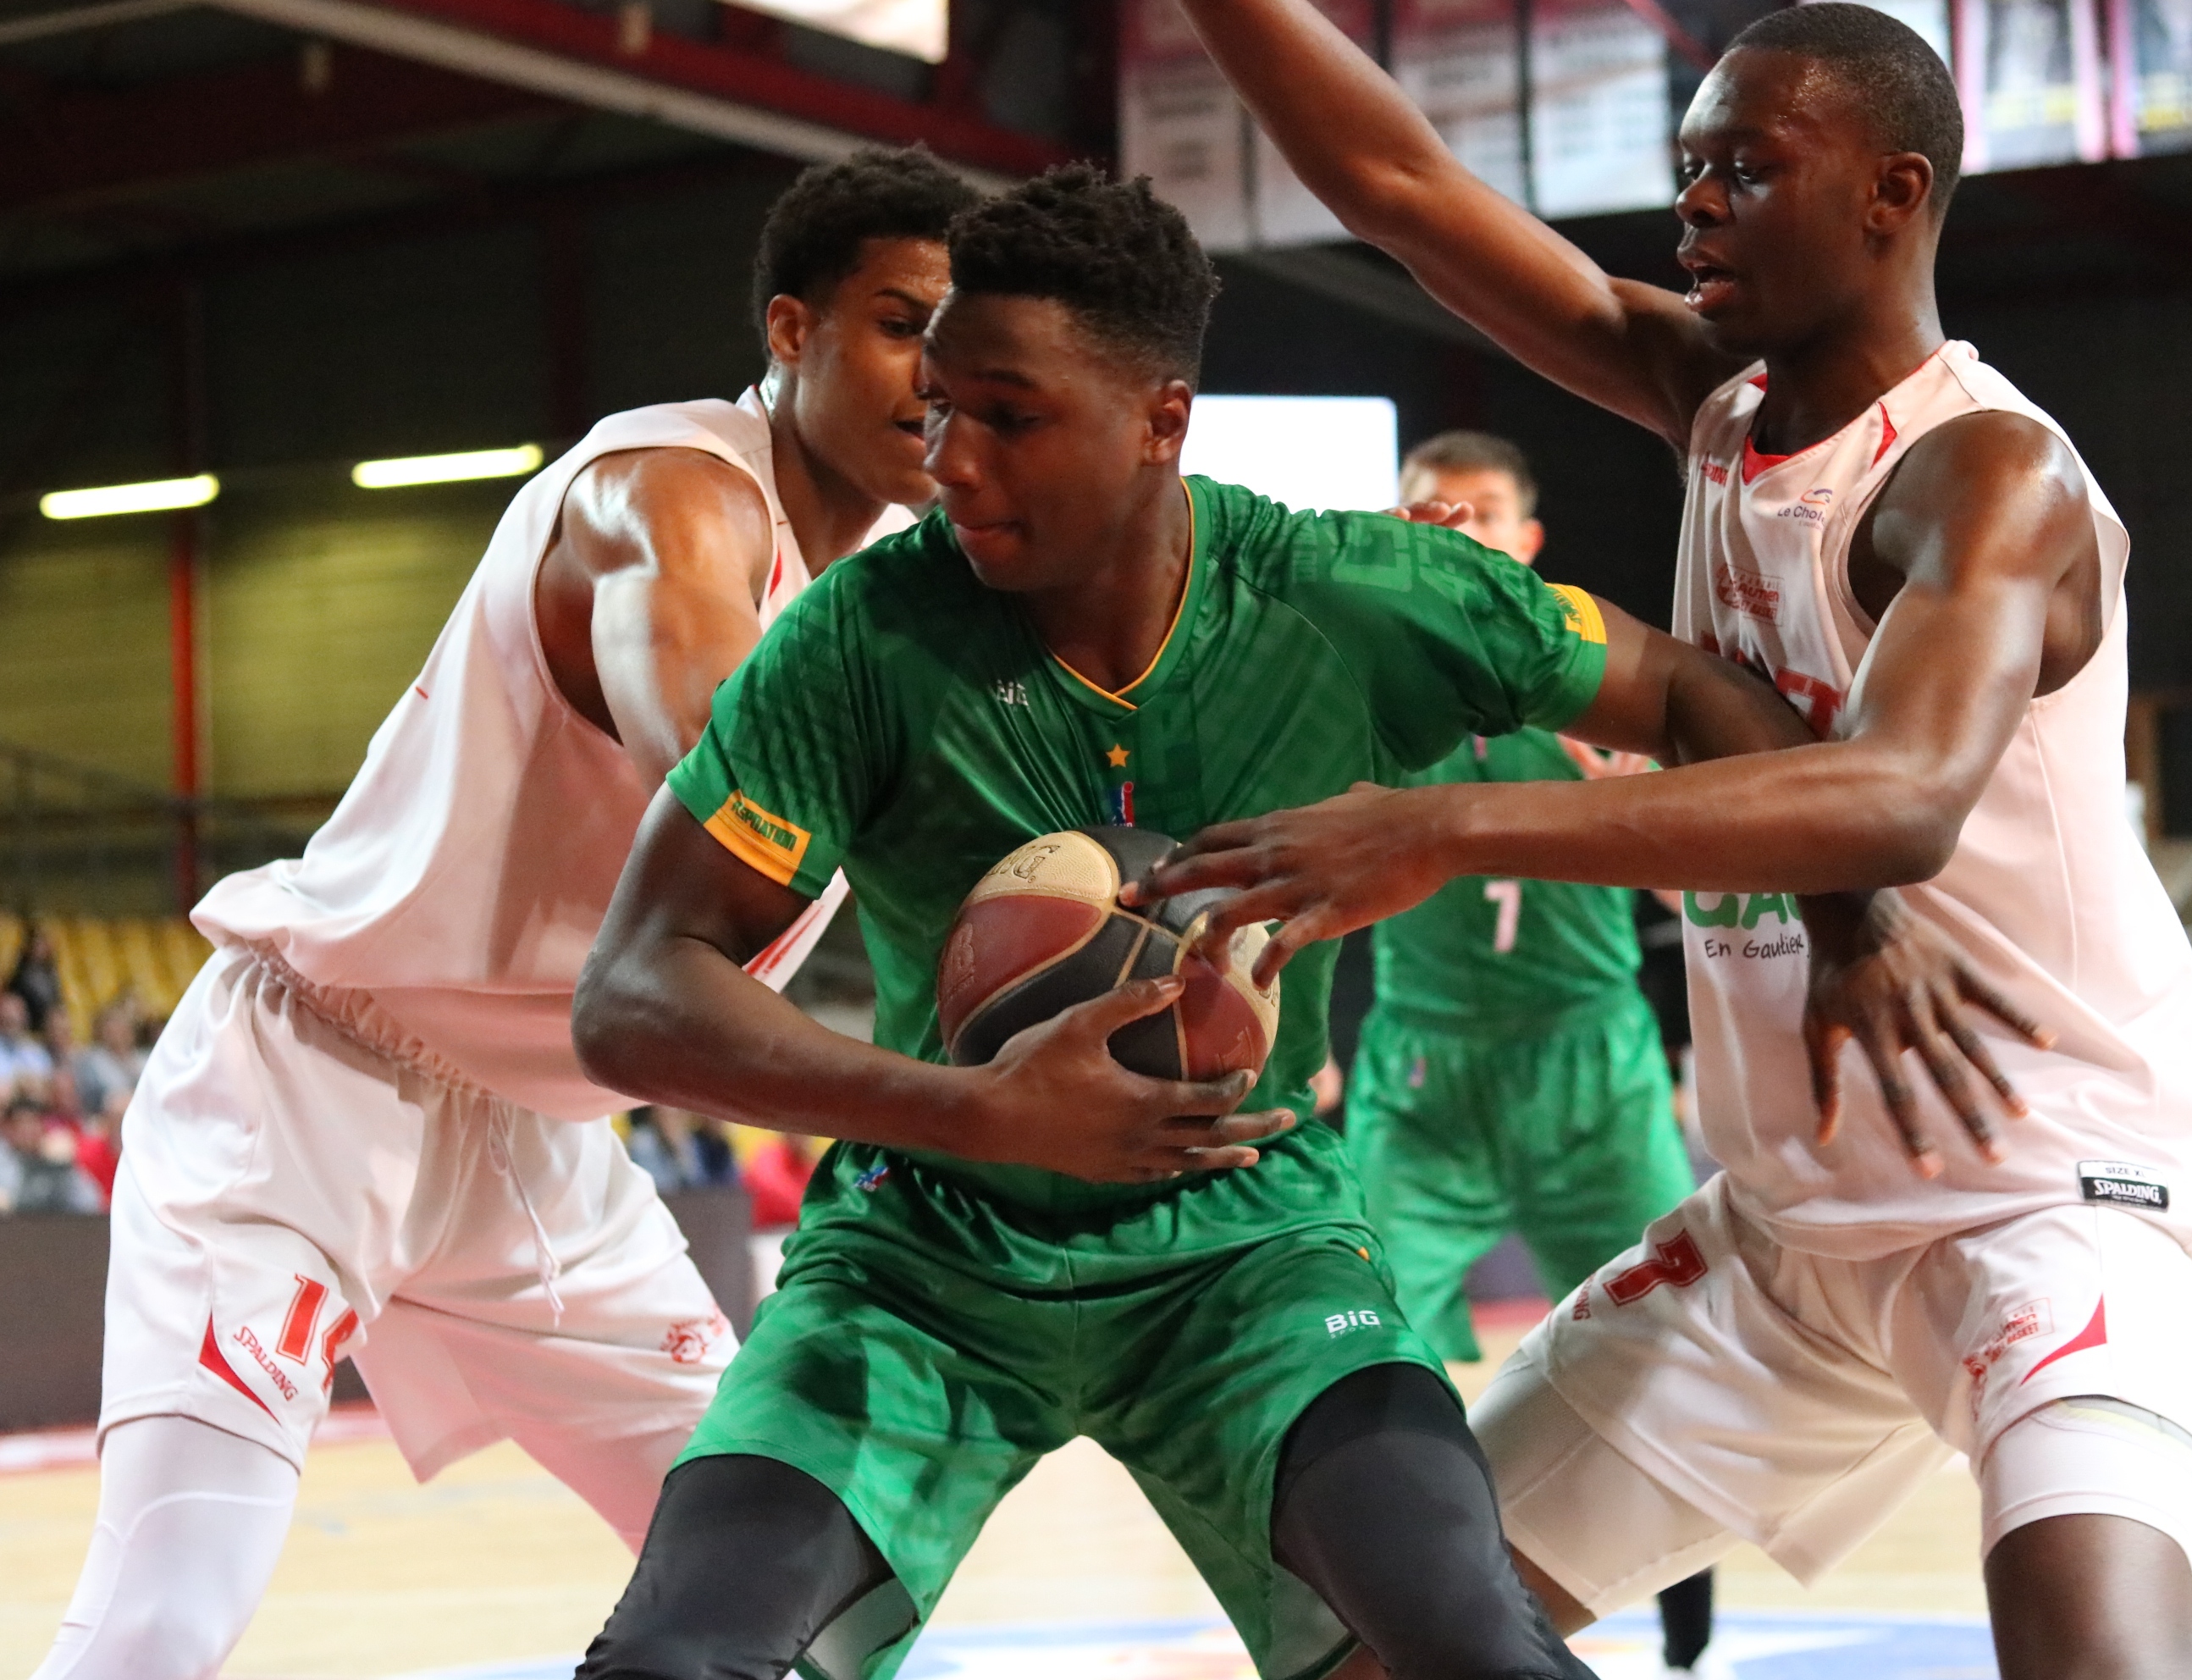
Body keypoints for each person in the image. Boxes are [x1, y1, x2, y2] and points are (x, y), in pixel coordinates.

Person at [565, 164, 2018, 1680]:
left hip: (1248, 1252)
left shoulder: (1348, 589)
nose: (952, 463)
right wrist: (972, 1109)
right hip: (920, 1256)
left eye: (1008, 416)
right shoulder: (859, 636)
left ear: (1160, 421)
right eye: (936, 409)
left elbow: (1680, 686)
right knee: (672, 1660)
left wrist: (1848, 912)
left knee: (1475, 1648)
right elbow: (632, 991)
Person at [1153, 5, 2192, 1676]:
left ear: (1893, 193)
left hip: (2052, 1186)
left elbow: (1898, 792)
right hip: (1790, 1230)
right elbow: (1397, 179)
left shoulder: (1987, 472)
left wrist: (1448, 822)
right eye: (1687, 172)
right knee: (1369, 1641)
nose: (1697, 206)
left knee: (2101, 1655)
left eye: (1748, 168)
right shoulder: (1717, 404)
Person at [33, 148, 987, 1680]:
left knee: (812, 1598)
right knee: (167, 1610)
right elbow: (716, 750)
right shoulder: (664, 495)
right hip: (309, 1089)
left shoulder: (897, 590)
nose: (937, 374)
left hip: (547, 1143)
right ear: (794, 329)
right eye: (900, 322)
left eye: (968, 343)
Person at [1342, 429, 1716, 1675]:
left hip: (1588, 1065)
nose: (1452, 530)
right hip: (1422, 1070)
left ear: (1527, 540)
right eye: (1427, 513)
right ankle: (1407, 1577)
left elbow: (1703, 893)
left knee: (1676, 1339)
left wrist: (1650, 794)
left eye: (1480, 512)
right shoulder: (1352, 685)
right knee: (1352, 1326)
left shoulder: (1601, 675)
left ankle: (1684, 1588)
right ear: (1395, 533)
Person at [3, 1092, 103, 1215]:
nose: (27, 1131)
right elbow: (7, 1203)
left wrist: (65, 1166)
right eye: (21, 1124)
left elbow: (91, 1203)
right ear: (8, 1129)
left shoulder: (56, 1159)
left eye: (33, 1123)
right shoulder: (4, 1162)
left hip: (55, 1230)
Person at [72, 1001, 148, 1120]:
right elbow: (92, 1100)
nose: (117, 1034)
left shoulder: (143, 1059)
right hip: (107, 1118)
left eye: (121, 1027)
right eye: (112, 1029)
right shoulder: (92, 1061)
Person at [8, 924, 64, 1036]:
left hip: (48, 1028)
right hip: (29, 1029)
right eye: (37, 944)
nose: (40, 948)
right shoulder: (20, 976)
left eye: (42, 944)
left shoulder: (51, 973)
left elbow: (57, 1001)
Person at [0, 990, 52, 1098]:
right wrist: (20, 1085)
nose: (13, 1024)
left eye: (16, 1019)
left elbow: (49, 1087)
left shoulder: (36, 1050)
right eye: (8, 1020)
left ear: (25, 1019)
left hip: (36, 1109)